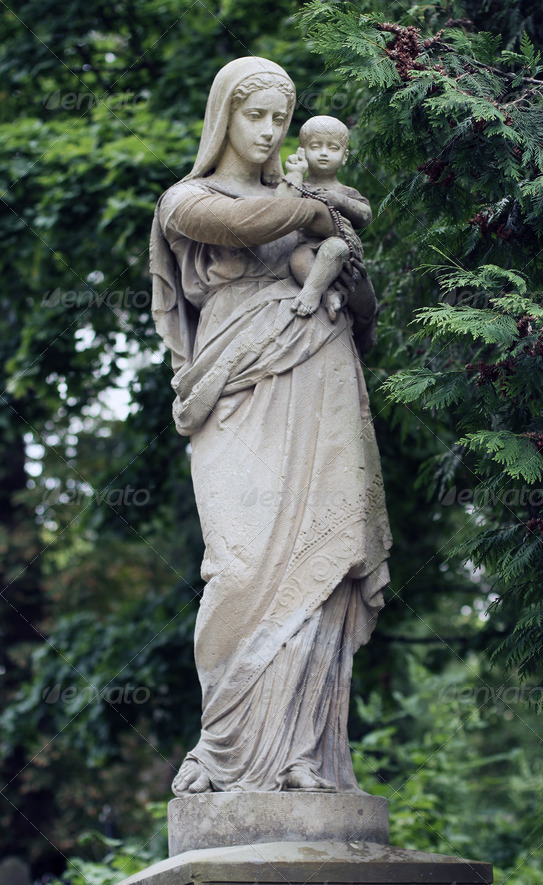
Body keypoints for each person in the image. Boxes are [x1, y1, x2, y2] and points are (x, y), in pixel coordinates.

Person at [150, 57, 391, 795]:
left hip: (318, 365)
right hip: (233, 384)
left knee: (322, 563)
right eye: (255, 115)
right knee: (241, 563)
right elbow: (243, 220)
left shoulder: (296, 200)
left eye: (279, 119)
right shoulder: (187, 199)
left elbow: (367, 314)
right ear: (226, 115)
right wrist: (317, 210)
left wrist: (344, 271)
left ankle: (305, 756)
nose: (268, 131)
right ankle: (225, 751)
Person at [277, 116, 376, 327]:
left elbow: (365, 216)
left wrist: (338, 200)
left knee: (336, 247)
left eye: (332, 148)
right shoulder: (299, 186)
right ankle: (325, 293)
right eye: (315, 146)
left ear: (344, 156)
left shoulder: (346, 192)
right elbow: (280, 207)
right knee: (298, 257)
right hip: (305, 247)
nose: (323, 153)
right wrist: (295, 173)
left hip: (341, 251)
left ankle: (317, 292)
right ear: (302, 151)